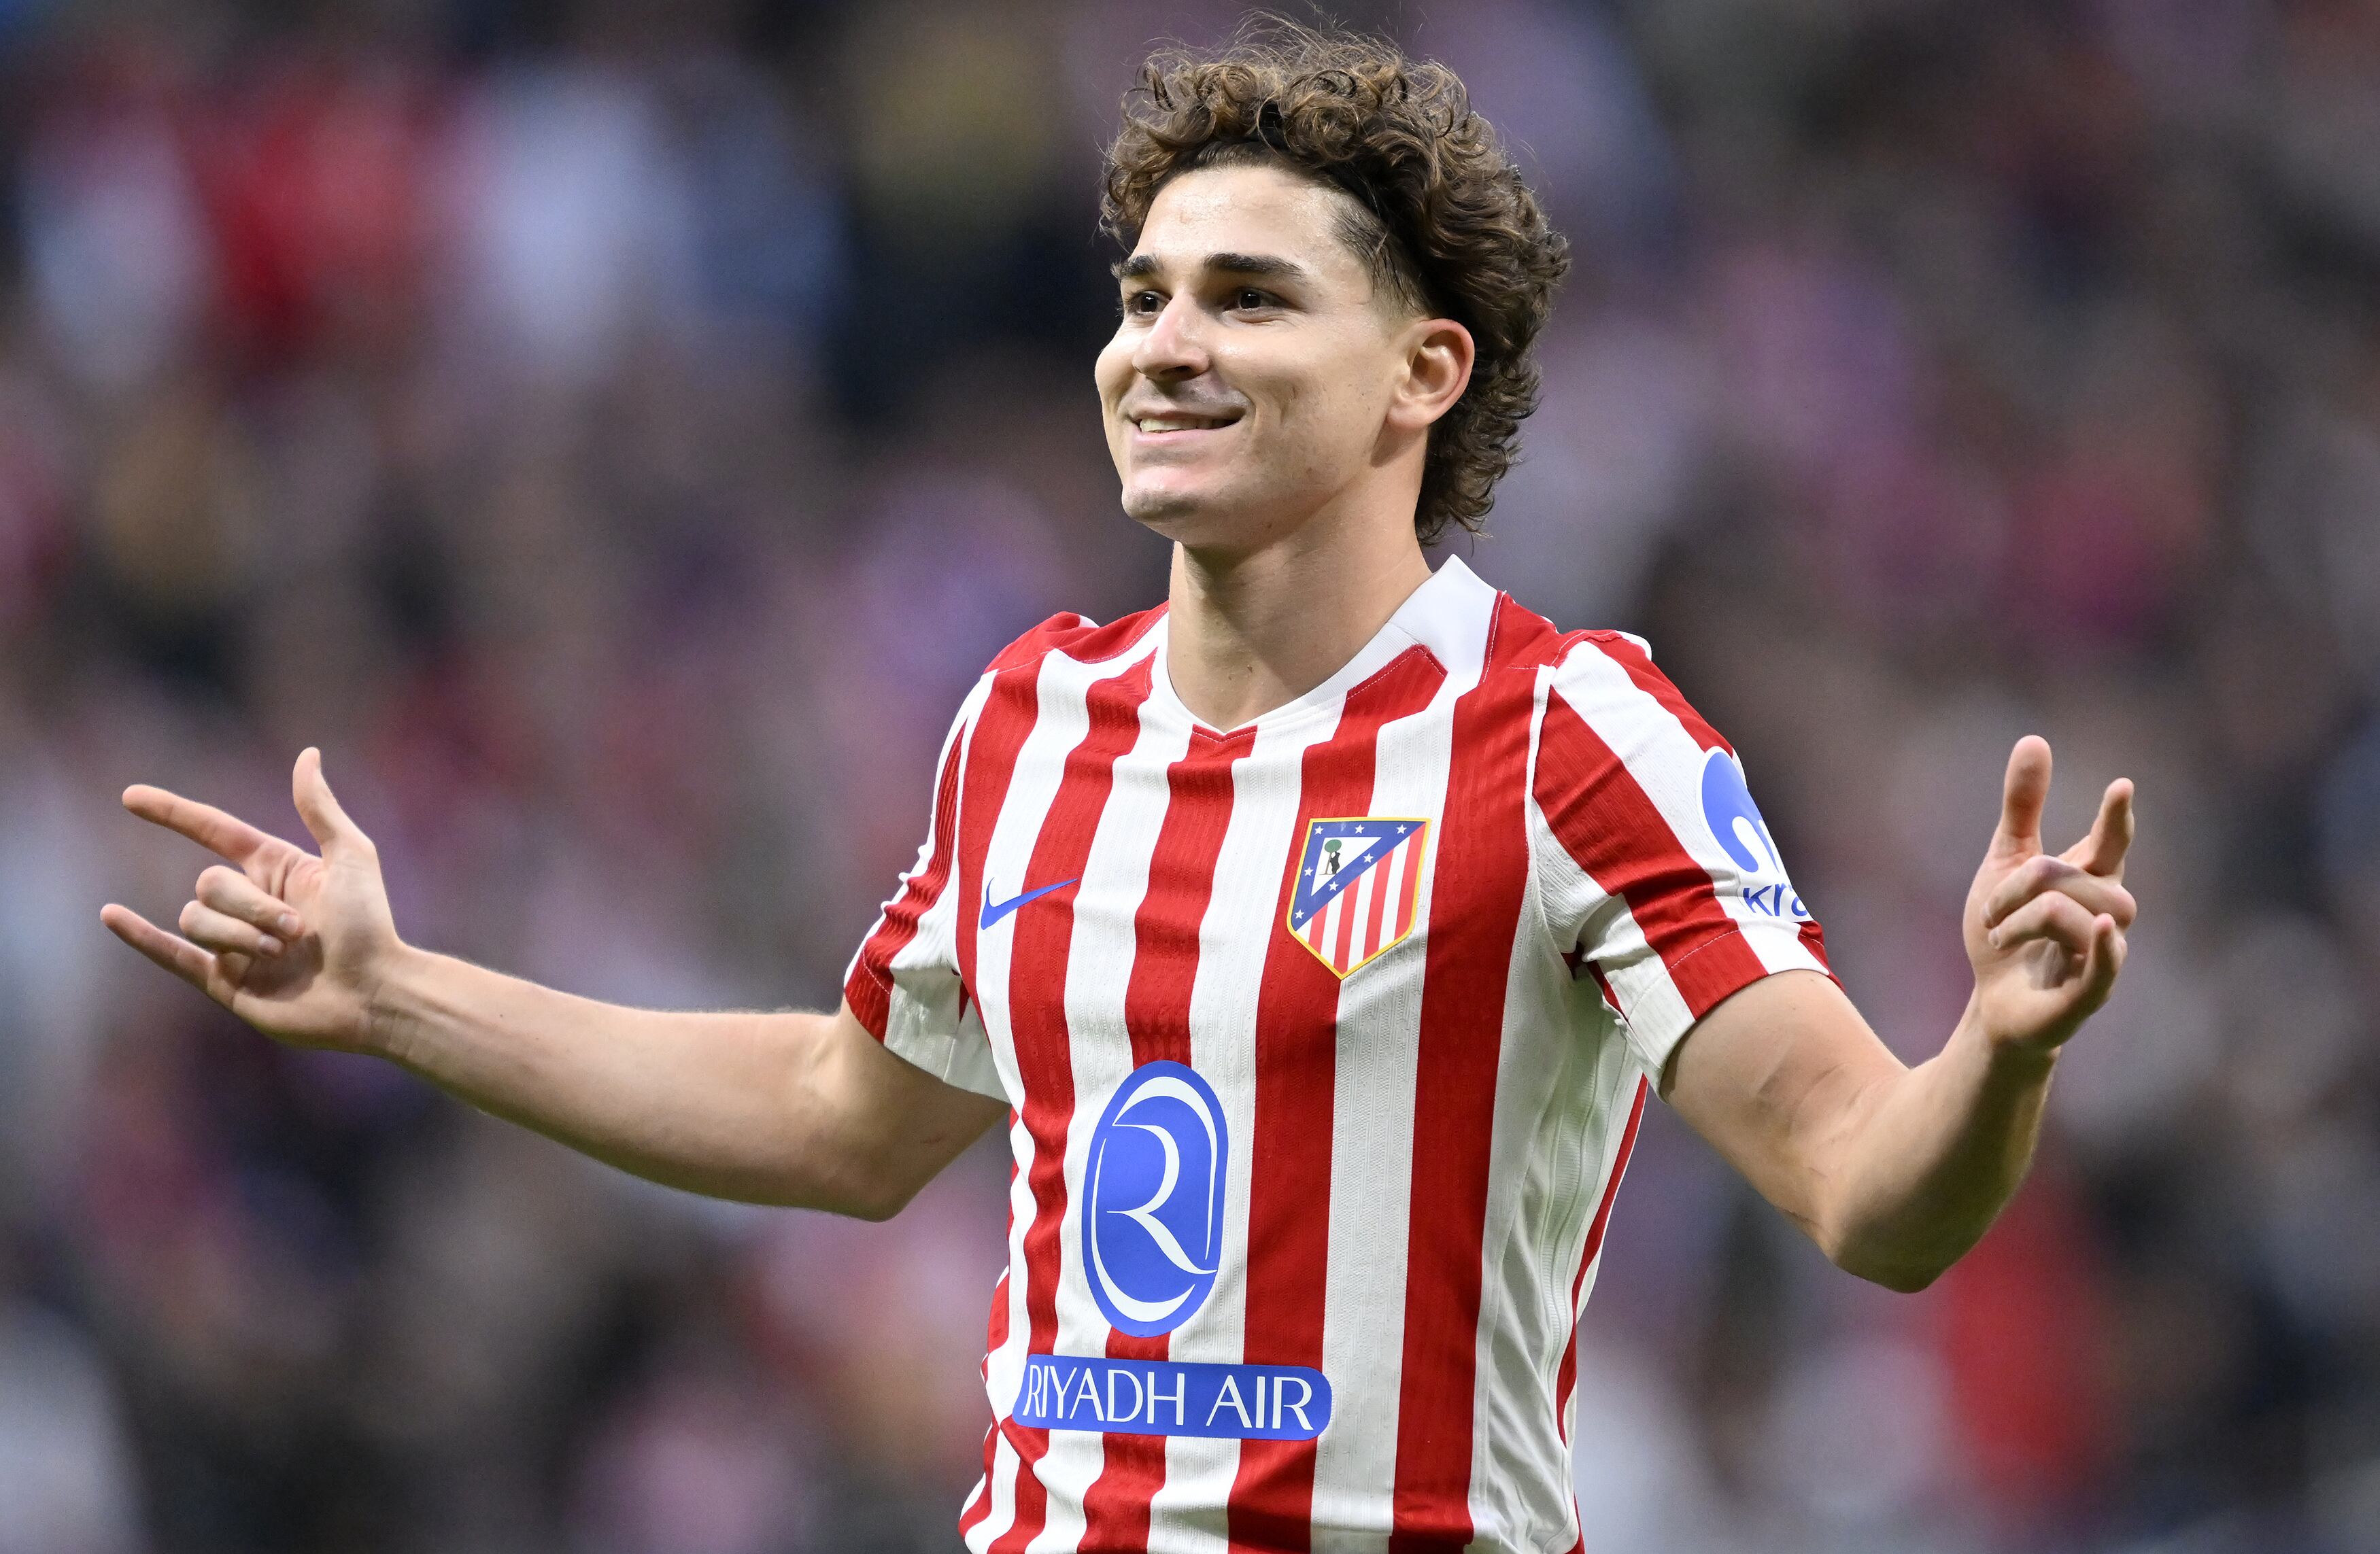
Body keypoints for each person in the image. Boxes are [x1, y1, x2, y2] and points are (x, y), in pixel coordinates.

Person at [101, 24, 2137, 1553]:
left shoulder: (1566, 731)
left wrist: (2000, 1054)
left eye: (1247, 299)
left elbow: (1867, 1193)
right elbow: (842, 1116)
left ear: (1422, 375)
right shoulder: (1029, 718)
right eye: (1144, 292)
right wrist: (394, 997)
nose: (1162, 342)